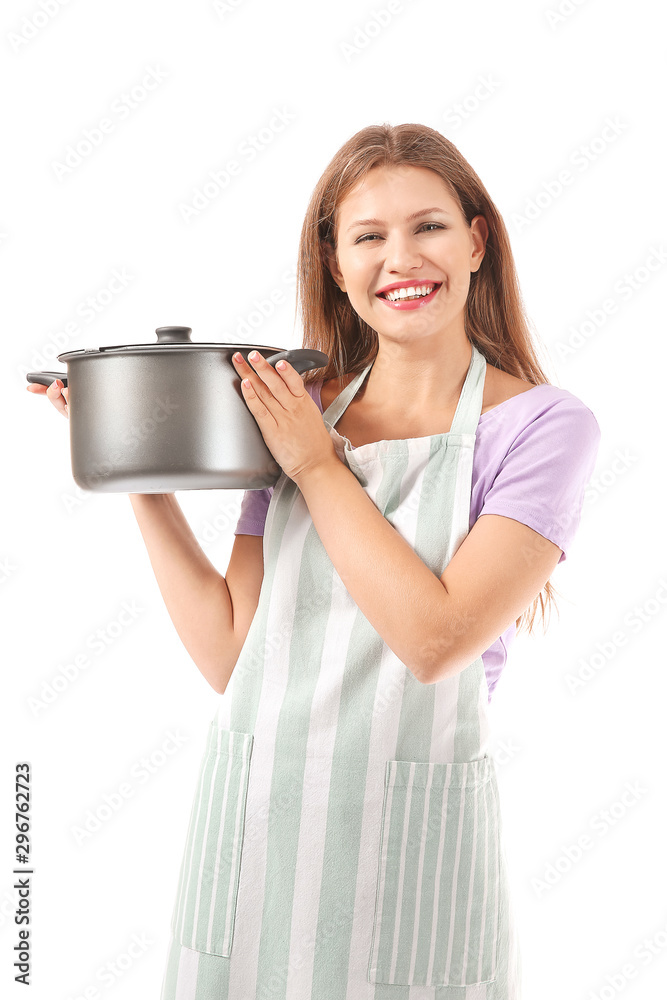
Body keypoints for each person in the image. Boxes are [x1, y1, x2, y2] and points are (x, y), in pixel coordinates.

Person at [29, 122, 601, 999]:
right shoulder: (298, 409)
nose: (400, 258)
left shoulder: (541, 427)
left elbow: (435, 640)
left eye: (429, 226)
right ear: (336, 265)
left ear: (477, 240)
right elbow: (232, 651)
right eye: (367, 236)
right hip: (254, 831)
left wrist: (311, 462)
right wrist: (136, 469)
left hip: (411, 851)